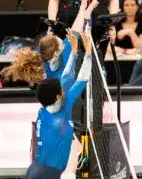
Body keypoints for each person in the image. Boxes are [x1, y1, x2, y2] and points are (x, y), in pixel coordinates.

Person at [25, 26, 92, 179]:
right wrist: (88, 53)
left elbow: (67, 78)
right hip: (47, 174)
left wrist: (74, 53)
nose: (64, 92)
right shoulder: (62, 108)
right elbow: (82, 78)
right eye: (61, 92)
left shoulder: (44, 110)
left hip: (35, 170)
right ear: (57, 97)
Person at [0, 0, 99, 83]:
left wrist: (89, 8)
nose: (64, 42)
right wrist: (84, 7)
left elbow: (74, 32)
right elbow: (75, 31)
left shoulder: (44, 52)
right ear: (56, 53)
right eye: (62, 44)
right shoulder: (62, 55)